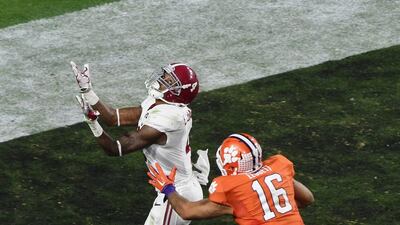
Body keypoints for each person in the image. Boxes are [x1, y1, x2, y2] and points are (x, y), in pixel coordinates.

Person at [71, 62, 210, 225]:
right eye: (165, 74)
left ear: (178, 91)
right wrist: (87, 90)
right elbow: (113, 117)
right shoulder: (160, 104)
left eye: (169, 79)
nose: (162, 78)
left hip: (179, 192)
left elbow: (114, 148)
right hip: (174, 188)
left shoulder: (169, 118)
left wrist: (92, 123)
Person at [147, 133, 314, 225]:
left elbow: (187, 211)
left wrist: (168, 187)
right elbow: (307, 199)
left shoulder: (232, 189)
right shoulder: (279, 168)